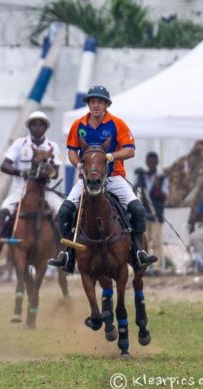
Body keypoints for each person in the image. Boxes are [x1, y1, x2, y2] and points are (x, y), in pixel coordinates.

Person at [48, 85, 157, 273]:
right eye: (92, 101)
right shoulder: (78, 125)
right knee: (64, 213)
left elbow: (130, 150)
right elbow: (72, 152)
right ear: (88, 104)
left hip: (114, 177)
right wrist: (79, 165)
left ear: (106, 104)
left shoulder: (117, 124)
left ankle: (138, 252)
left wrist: (111, 156)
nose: (96, 105)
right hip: (87, 179)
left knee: (138, 210)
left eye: (100, 102)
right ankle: (66, 254)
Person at [0, 111, 63, 263]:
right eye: (34, 124)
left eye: (41, 124)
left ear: (45, 128)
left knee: (62, 211)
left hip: (44, 190)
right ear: (29, 127)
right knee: (3, 211)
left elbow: (56, 172)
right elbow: (5, 165)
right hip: (21, 189)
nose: (37, 127)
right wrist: (20, 171)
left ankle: (64, 252)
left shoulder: (53, 146)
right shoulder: (19, 144)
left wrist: (48, 171)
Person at [135, 152, 169, 274]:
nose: (151, 164)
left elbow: (164, 195)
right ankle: (145, 265)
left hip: (157, 215)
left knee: (156, 241)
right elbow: (135, 192)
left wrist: (157, 186)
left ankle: (157, 267)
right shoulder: (142, 176)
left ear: (157, 162)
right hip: (144, 214)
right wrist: (139, 180)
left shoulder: (162, 178)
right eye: (149, 162)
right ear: (146, 162)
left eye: (153, 162)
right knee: (145, 240)